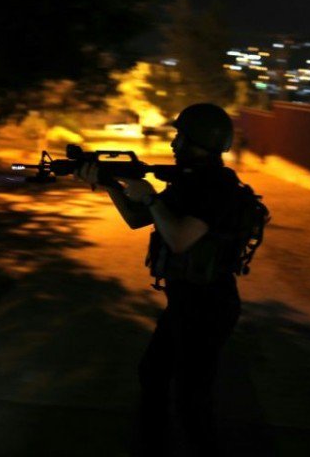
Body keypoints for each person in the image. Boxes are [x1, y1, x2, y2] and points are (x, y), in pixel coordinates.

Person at [77, 103, 250, 456]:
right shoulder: (190, 181)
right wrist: (109, 184)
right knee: (154, 373)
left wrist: (153, 197)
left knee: (191, 397)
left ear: (197, 141)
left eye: (179, 136)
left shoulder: (217, 188)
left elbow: (179, 238)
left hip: (208, 306)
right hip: (186, 303)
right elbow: (137, 219)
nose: (173, 143)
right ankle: (154, 443)